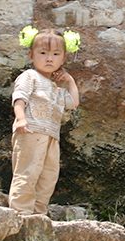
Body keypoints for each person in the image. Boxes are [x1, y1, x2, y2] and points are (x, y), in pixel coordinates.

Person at [8, 26, 81, 215]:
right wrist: (21, 118)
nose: (49, 58)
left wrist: (70, 81)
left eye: (56, 54)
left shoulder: (57, 89)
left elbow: (73, 103)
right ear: (31, 54)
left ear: (63, 58)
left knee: (48, 176)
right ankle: (20, 213)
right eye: (43, 53)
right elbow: (19, 98)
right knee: (27, 172)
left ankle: (38, 214)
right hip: (30, 132)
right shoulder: (29, 76)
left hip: (51, 137)